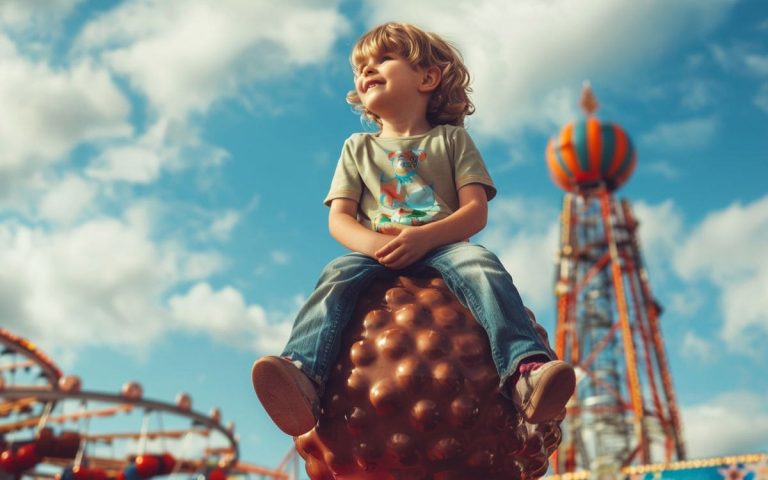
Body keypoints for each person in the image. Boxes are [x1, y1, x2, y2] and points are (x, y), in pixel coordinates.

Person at [251, 21, 575, 437]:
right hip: (378, 249)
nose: (368, 70)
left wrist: (426, 237)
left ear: (427, 77)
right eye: (361, 66)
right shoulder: (357, 147)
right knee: (335, 276)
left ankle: (524, 370)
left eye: (384, 59)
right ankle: (302, 374)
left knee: (482, 266)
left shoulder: (452, 141)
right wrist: (371, 245)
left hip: (442, 245)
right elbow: (340, 218)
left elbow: (475, 212)